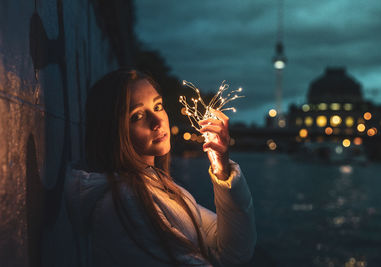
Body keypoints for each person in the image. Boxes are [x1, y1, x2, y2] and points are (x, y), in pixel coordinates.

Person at [65, 69, 256, 267]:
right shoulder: (125, 202)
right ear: (112, 130)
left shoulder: (159, 186)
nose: (158, 122)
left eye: (158, 106)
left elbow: (233, 252)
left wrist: (223, 170)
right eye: (137, 116)